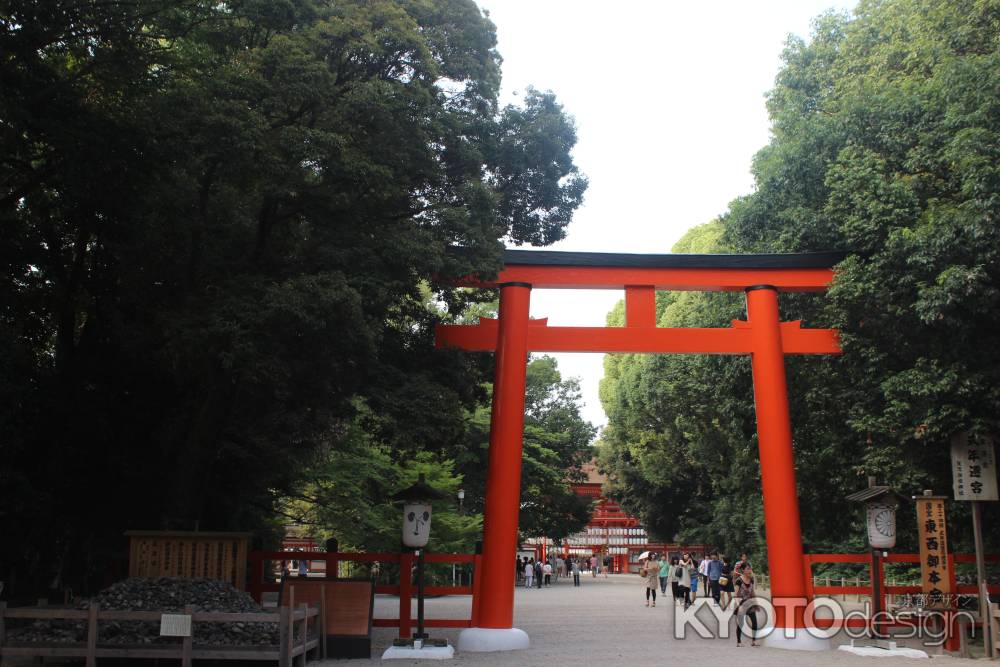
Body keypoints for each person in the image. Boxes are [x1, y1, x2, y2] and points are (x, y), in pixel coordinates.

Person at [735, 564, 759, 647]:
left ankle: (754, 641)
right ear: (743, 570)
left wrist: (756, 602)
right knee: (741, 624)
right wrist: (739, 606)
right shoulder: (739, 581)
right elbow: (736, 595)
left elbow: (752, 592)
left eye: (750, 568)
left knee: (755, 622)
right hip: (741, 603)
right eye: (748, 569)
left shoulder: (751, 579)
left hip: (750, 603)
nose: (749, 570)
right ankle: (739, 642)